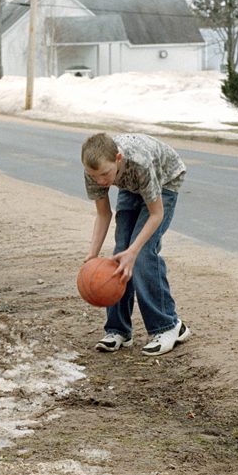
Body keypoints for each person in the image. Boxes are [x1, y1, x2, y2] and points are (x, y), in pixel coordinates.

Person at [82, 131, 189, 356]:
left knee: (141, 254)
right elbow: (103, 214)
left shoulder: (139, 162)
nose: (100, 181)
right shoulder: (93, 171)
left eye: (105, 174)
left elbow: (156, 214)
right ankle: (118, 329)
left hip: (164, 180)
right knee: (120, 254)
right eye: (95, 176)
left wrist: (134, 250)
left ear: (118, 160)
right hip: (131, 185)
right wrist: (92, 255)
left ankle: (170, 326)